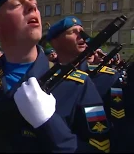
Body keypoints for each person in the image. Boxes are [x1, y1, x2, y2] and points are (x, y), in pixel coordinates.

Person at [0, 0, 111, 153]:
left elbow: (100, 147)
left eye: (34, 4)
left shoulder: (77, 84)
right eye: (18, 4)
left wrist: (49, 122)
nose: (32, 8)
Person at [47, 16, 116, 152]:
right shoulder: (42, 77)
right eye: (74, 32)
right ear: (55, 42)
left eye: (82, 31)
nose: (83, 36)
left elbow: (99, 138)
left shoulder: (105, 76)